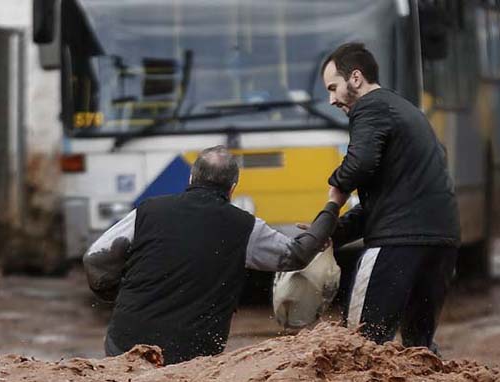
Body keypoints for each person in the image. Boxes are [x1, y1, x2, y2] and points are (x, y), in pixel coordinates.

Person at [83, 146, 345, 365]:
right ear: (232, 187)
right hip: (193, 354)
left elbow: (95, 259)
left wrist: (115, 296)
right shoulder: (245, 228)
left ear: (190, 179)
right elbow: (297, 255)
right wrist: (332, 207)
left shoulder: (148, 211)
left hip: (124, 344)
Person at [321, 42, 459, 352]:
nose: (331, 100)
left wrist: (335, 191)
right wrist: (333, 233)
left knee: (359, 347)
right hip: (441, 242)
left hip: (398, 243)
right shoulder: (405, 110)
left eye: (333, 88)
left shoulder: (369, 107)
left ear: (355, 79)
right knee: (417, 348)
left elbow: (360, 163)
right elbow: (387, 200)